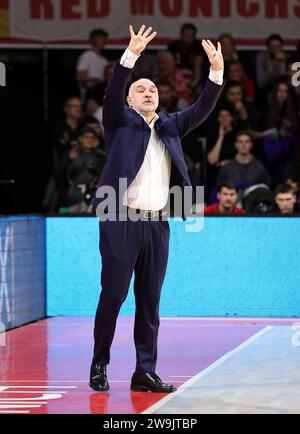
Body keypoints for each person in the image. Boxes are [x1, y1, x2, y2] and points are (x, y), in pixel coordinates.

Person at [90, 25, 224, 393]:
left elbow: (204, 107)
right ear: (130, 101)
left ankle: (144, 371)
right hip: (120, 220)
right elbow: (114, 89)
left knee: (150, 302)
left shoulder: (170, 126)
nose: (148, 92)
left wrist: (216, 72)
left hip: (157, 224)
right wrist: (130, 56)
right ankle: (99, 362)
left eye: (152, 89)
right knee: (114, 295)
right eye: (140, 89)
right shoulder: (119, 122)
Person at [168, 23, 204, 90]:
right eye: (185, 35)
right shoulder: (173, 46)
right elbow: (169, 65)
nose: (187, 38)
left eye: (190, 35)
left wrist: (193, 85)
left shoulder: (198, 46)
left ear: (194, 36)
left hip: (192, 76)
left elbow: (198, 66)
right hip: (175, 75)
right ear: (181, 34)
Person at [76, 28, 109, 101]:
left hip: (102, 92)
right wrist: (96, 79)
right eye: (100, 39)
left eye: (104, 39)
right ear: (93, 40)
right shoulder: (86, 56)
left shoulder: (103, 60)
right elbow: (79, 76)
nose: (103, 41)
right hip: (90, 93)